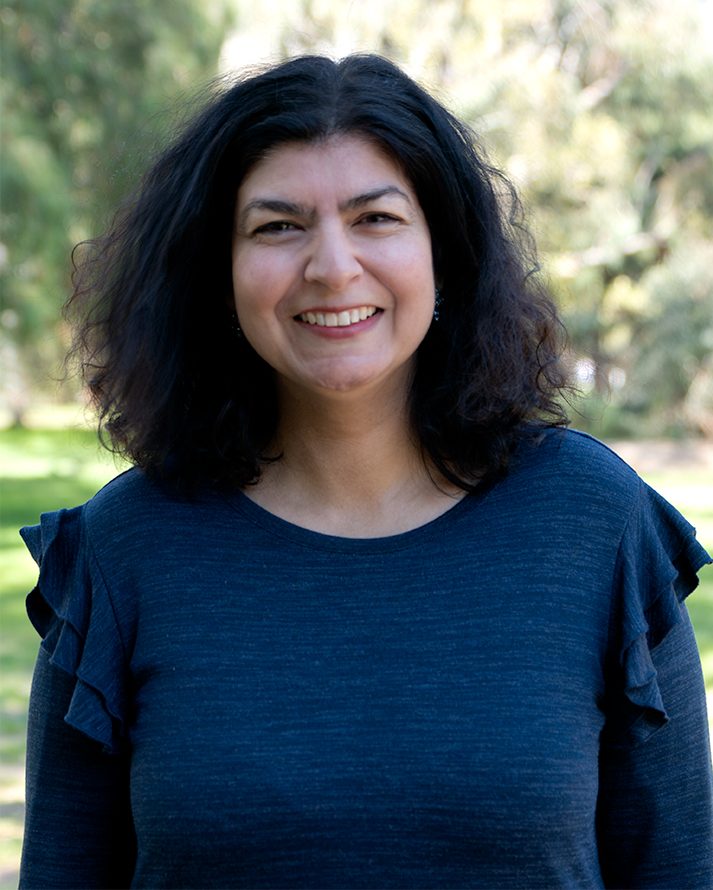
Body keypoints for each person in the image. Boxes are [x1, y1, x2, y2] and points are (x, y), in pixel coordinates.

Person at [19, 53, 713, 889]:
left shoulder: (594, 526)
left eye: (376, 218)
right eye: (278, 226)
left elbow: (679, 871)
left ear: (443, 251)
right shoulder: (122, 552)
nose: (332, 266)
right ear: (218, 271)